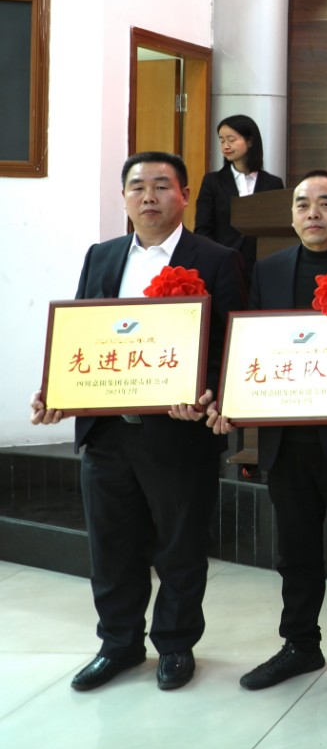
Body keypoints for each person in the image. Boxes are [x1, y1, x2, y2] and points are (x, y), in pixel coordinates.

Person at [31, 152, 245, 692]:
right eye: (137, 186)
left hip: (178, 431)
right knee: (111, 547)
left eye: (161, 185)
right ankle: (118, 644)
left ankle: (175, 645)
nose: (148, 196)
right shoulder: (101, 256)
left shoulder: (218, 259)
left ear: (185, 195)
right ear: (124, 196)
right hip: (107, 432)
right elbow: (84, 334)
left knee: (180, 546)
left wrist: (208, 392)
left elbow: (230, 343)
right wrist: (58, 392)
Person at [209, 170, 327, 699]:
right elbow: (252, 344)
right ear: (291, 215)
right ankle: (299, 644)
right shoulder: (267, 269)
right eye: (302, 204)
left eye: (325, 203)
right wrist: (233, 399)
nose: (312, 212)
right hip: (285, 438)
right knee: (295, 551)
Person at [194, 114, 286, 277]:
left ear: (250, 141)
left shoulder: (273, 183)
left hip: (263, 264)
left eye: (231, 139)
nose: (225, 146)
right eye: (222, 140)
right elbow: (203, 228)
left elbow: (278, 230)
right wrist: (214, 258)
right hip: (223, 263)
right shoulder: (212, 181)